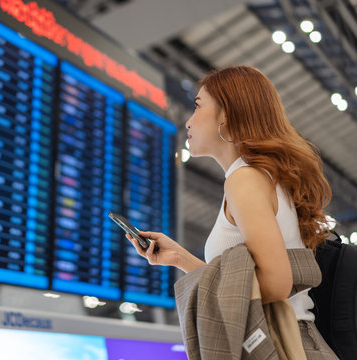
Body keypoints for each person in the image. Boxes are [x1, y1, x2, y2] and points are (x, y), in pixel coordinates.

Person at [126, 66, 338, 359]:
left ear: (226, 115)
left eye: (197, 107)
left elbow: (276, 282)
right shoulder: (260, 177)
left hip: (281, 344)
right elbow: (247, 287)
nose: (188, 121)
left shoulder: (244, 179)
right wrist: (180, 258)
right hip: (294, 341)